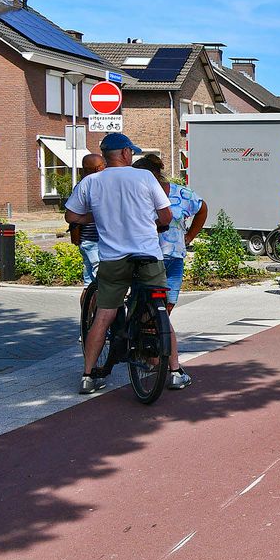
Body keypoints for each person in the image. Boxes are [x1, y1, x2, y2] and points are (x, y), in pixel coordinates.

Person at [64, 133, 183, 395]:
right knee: (158, 308)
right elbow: (166, 215)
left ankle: (87, 377)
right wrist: (157, 224)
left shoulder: (91, 182)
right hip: (148, 256)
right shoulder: (144, 177)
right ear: (126, 153)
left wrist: (93, 219)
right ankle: (174, 372)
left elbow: (71, 215)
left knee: (105, 315)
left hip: (113, 259)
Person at [133, 154, 207, 313]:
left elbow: (202, 209)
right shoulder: (134, 196)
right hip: (147, 257)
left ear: (155, 175)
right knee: (143, 301)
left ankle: (160, 333)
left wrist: (189, 236)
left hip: (174, 256)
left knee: (170, 302)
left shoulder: (181, 193)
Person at [69, 153, 105, 286]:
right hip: (94, 239)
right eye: (103, 166)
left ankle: (87, 306)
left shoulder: (80, 186)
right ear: (97, 169)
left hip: (85, 240)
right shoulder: (96, 186)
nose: (105, 168)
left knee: (88, 282)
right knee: (102, 279)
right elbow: (71, 216)